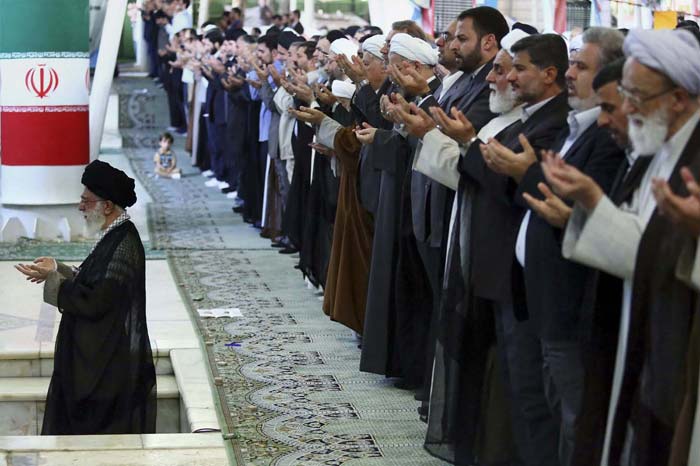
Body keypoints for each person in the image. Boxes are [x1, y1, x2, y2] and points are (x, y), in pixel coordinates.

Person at [545, 28, 700, 466]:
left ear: (680, 98)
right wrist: (591, 200)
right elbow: (644, 242)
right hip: (641, 323)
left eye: (638, 97)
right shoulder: (660, 148)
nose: (629, 109)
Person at [15, 160, 156, 435]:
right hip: (101, 355)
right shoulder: (114, 235)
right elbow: (92, 278)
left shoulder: (125, 244)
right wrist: (56, 269)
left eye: (85, 201)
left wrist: (57, 280)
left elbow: (96, 300)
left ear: (106, 206)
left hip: (107, 366)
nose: (80, 207)